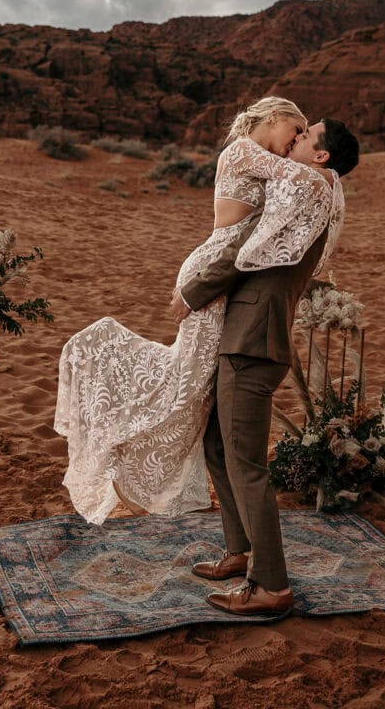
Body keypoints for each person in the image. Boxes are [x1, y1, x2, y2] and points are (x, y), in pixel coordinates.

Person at [55, 97, 344, 524]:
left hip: (227, 279)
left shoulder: (265, 159)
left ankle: (146, 466)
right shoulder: (245, 150)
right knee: (187, 386)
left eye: (304, 135)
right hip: (212, 273)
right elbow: (302, 179)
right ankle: (123, 452)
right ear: (275, 118)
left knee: (199, 390)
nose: (296, 140)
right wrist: (333, 175)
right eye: (295, 131)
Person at [171, 118, 359, 618]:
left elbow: (246, 248)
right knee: (217, 443)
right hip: (250, 335)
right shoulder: (319, 187)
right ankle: (240, 550)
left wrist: (193, 292)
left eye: (306, 136)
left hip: (252, 341)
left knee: (246, 462)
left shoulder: (306, 187)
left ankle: (270, 585)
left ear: (321, 156)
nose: (295, 139)